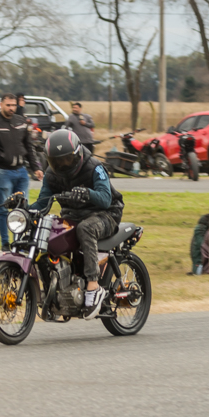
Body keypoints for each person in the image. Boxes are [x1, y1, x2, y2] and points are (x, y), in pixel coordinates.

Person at [30, 130, 126, 317]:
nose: (63, 165)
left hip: (106, 214)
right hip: (73, 214)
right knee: (47, 229)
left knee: (86, 228)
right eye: (57, 161)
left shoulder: (94, 167)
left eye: (67, 159)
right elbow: (42, 203)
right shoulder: (51, 175)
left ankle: (93, 286)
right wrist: (23, 208)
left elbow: (105, 198)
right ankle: (55, 289)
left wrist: (87, 193)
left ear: (78, 154)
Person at [0, 93, 43, 251]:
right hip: (2, 172)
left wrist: (36, 167)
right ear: (1, 104)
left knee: (23, 210)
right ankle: (5, 244)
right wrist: (3, 157)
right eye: (8, 105)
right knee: (4, 209)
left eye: (13, 105)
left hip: (22, 172)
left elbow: (29, 145)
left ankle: (20, 244)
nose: (11, 108)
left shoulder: (21, 121)